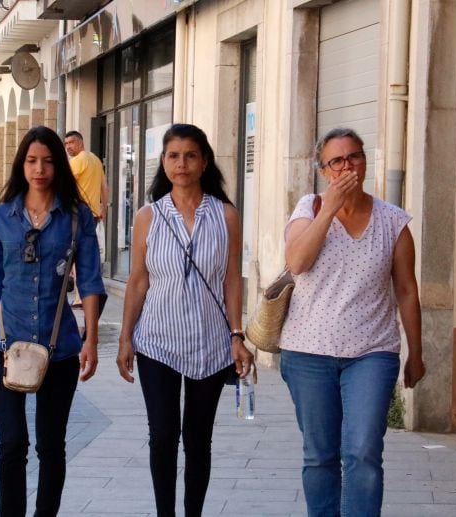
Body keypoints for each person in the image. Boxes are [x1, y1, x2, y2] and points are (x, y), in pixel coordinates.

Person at [280, 127, 425, 516]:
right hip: (307, 354)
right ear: (324, 170)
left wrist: (416, 353)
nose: (348, 166)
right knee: (320, 455)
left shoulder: (393, 222)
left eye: (355, 157)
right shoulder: (307, 210)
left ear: (365, 161)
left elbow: (407, 291)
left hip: (372, 353)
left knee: (362, 450)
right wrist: (328, 209)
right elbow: (297, 262)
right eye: (337, 160)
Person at [116, 123, 253, 517]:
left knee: (198, 439)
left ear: (204, 161)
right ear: (163, 162)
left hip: (211, 343)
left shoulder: (225, 215)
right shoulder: (148, 216)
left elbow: (231, 278)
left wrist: (237, 334)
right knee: (162, 435)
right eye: (173, 156)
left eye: (190, 155)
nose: (182, 164)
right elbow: (138, 281)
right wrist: (126, 337)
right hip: (157, 340)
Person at [0, 125, 105, 517]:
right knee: (12, 443)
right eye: (32, 161)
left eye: (49, 161)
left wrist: (91, 340)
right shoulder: (1, 218)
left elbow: (93, 282)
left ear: (60, 165)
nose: (40, 169)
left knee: (51, 445)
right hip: (4, 343)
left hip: (59, 348)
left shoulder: (78, 218)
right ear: (22, 165)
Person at [64, 130, 109, 308]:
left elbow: (68, 184)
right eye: (66, 144)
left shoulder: (78, 160)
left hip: (77, 213)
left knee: (76, 252)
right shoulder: (96, 160)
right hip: (93, 214)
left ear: (81, 143)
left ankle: (79, 295)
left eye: (72, 143)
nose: (68, 147)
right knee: (87, 253)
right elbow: (104, 187)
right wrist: (103, 208)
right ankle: (87, 293)